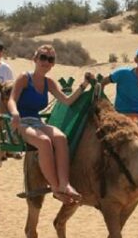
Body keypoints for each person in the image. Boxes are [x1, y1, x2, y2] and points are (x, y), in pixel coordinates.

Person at [7, 44, 90, 204]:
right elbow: (12, 100)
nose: (46, 62)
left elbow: (67, 101)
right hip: (22, 123)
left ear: (52, 64)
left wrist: (83, 85)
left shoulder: (48, 83)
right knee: (44, 142)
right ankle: (55, 187)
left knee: (60, 138)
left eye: (50, 59)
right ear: (35, 59)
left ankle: (65, 184)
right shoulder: (24, 78)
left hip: (37, 121)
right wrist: (15, 113)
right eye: (43, 58)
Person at [100, 45, 138, 143]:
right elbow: (103, 82)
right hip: (121, 114)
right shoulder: (123, 73)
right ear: (136, 60)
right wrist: (102, 100)